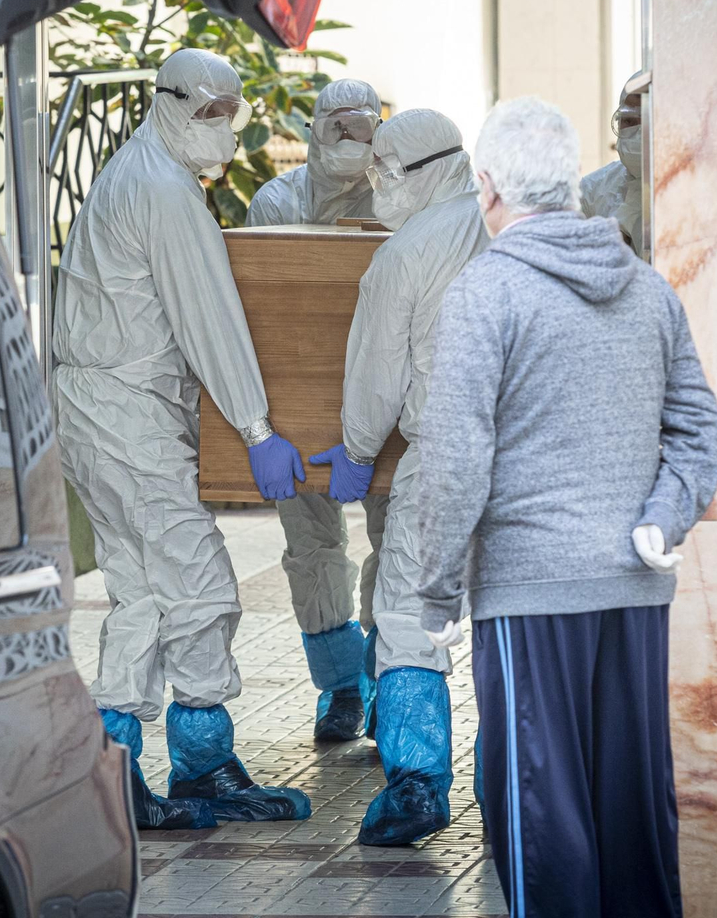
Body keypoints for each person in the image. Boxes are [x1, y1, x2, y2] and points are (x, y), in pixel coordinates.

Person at [417, 97, 717, 917]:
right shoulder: (648, 289)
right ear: (571, 184)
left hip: (530, 593)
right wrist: (661, 517)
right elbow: (699, 428)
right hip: (634, 587)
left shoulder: (486, 292)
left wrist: (437, 592)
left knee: (539, 818)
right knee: (633, 822)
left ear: (487, 187)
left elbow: (455, 460)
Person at [54, 48, 313, 831]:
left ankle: (116, 772)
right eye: (207, 113)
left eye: (230, 114)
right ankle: (202, 763)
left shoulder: (137, 170)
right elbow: (210, 318)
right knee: (199, 584)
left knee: (141, 590)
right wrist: (257, 428)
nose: (222, 129)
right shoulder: (164, 191)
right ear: (168, 104)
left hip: (101, 406)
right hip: (125, 414)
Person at [308, 109, 489, 846]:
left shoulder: (405, 252)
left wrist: (356, 452)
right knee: (512, 619)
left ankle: (416, 784)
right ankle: (515, 786)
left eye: (386, 169)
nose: (375, 181)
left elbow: (377, 375)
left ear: (432, 167)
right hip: (530, 460)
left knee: (410, 614)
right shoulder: (514, 225)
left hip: (443, 456)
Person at [246, 77, 389, 743]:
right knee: (310, 545)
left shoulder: (396, 196)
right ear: (313, 130)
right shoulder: (275, 202)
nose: (349, 139)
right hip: (298, 397)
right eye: (337, 127)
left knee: (397, 539)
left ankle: (390, 681)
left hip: (381, 396)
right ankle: (341, 687)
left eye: (363, 127)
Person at [579, 71, 644, 253]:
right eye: (628, 121)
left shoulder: (689, 191)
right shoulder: (592, 191)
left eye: (646, 122)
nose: (636, 133)